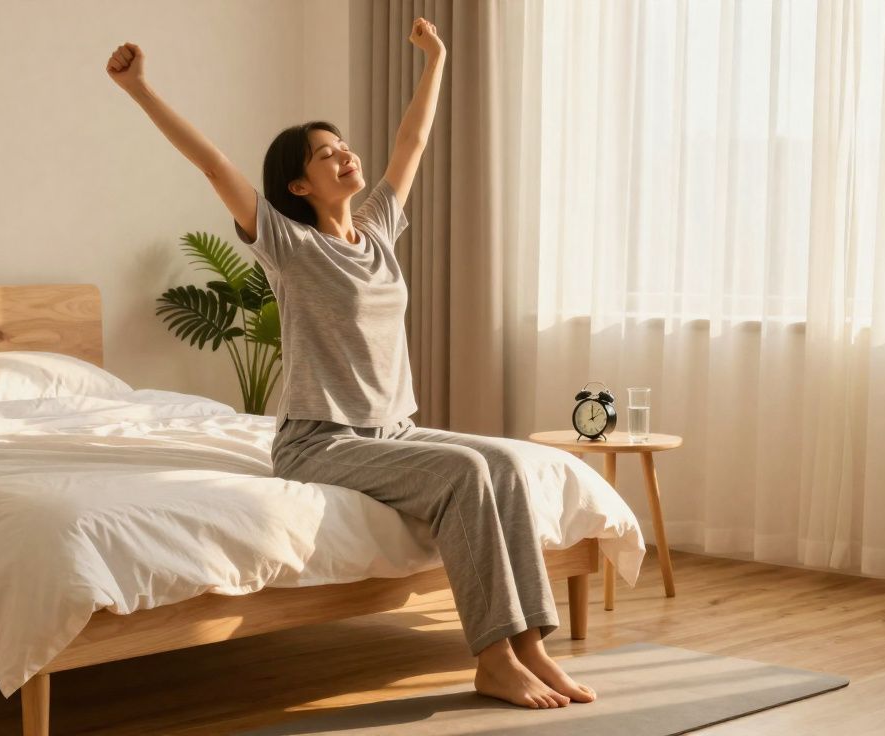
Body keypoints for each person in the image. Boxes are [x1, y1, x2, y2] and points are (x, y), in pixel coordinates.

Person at [106, 18, 594, 710]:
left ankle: (532, 646)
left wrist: (438, 61)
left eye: (342, 148)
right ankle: (490, 658)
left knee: (508, 464)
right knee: (463, 472)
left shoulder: (377, 232)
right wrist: (140, 89)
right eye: (325, 155)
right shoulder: (286, 244)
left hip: (392, 432)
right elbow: (215, 165)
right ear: (298, 187)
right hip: (319, 439)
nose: (344, 157)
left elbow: (412, 141)